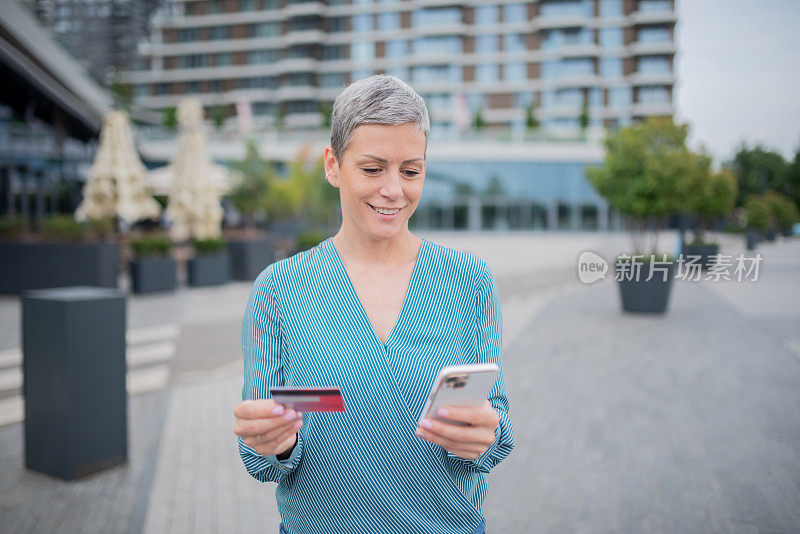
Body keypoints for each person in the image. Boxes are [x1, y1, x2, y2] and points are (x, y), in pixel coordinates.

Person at [233, 74, 514, 534]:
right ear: (332, 165)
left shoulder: (471, 282)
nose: (393, 190)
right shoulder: (278, 291)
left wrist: (485, 436)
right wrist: (275, 443)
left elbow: (497, 433)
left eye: (411, 170)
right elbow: (259, 459)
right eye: (372, 169)